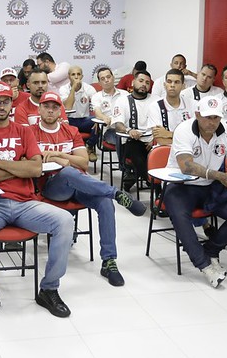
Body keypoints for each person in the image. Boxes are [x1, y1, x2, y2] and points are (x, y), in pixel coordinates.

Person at [0, 82, 75, 323]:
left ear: (11, 103)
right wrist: (18, 167)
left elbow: (35, 169)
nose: (2, 106)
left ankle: (49, 290)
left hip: (26, 203)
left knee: (65, 220)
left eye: (6, 101)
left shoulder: (24, 131)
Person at [31, 91, 146, 287]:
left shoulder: (71, 131)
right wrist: (67, 160)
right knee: (67, 173)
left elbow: (83, 162)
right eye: (46, 106)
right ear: (39, 108)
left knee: (105, 203)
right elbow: (32, 161)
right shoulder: (30, 132)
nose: (50, 111)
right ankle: (117, 193)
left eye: (54, 107)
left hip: (80, 184)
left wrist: (58, 156)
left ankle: (109, 261)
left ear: (61, 110)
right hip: (51, 188)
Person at [164, 96, 227, 287]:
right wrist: (221, 176)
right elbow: (186, 166)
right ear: (197, 115)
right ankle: (204, 266)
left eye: (216, 118)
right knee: (180, 216)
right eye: (207, 117)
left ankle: (211, 250)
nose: (212, 122)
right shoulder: (184, 130)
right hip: (182, 185)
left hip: (211, 186)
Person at [111, 70, 156, 191]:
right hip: (132, 140)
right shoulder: (122, 100)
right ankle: (152, 182)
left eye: (147, 82)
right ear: (133, 82)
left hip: (153, 140)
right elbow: (118, 124)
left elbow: (161, 124)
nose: (144, 84)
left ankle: (136, 176)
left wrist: (155, 139)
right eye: (141, 81)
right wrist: (129, 130)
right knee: (137, 155)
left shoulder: (156, 100)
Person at [145, 68, 193, 146]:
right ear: (164, 85)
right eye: (169, 81)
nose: (172, 85)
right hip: (163, 150)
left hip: (189, 151)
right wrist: (185, 139)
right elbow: (160, 140)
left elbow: (195, 137)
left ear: (183, 86)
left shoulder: (193, 105)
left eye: (177, 82)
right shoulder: (155, 106)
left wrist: (169, 134)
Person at [59, 65, 98, 161]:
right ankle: (68, 151)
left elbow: (97, 106)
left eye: (78, 74)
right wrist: (72, 89)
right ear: (69, 77)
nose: (76, 77)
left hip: (84, 120)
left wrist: (97, 119)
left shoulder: (89, 89)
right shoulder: (63, 89)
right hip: (69, 120)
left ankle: (89, 147)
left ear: (82, 76)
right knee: (60, 124)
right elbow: (68, 106)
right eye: (73, 74)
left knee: (98, 122)